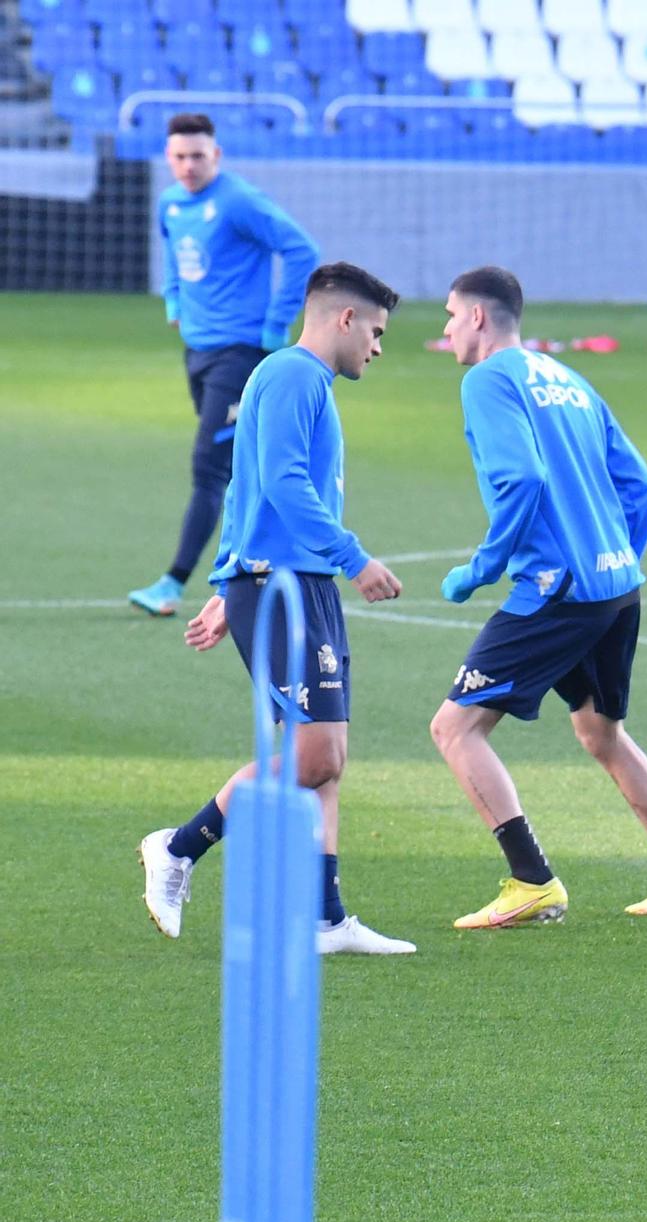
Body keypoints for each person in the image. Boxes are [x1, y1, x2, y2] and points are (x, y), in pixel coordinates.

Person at [138, 262, 414, 956]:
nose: (378, 348)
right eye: (376, 331)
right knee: (313, 753)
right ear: (344, 318)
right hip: (286, 586)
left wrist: (229, 580)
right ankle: (176, 848)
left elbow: (246, 489)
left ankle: (325, 920)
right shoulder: (294, 375)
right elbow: (286, 484)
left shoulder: (302, 380)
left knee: (327, 759)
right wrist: (354, 559)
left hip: (289, 585)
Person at [429, 266, 647, 929]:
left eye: (449, 315)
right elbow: (640, 485)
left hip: (557, 590)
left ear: (477, 317)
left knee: (456, 727)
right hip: (617, 588)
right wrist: (615, 557)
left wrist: (483, 566)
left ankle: (531, 879)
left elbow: (523, 479)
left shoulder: (487, 380)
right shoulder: (568, 378)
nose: (444, 330)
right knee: (601, 732)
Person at [129, 113, 321, 619]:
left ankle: (173, 584)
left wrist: (277, 321)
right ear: (168, 158)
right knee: (240, 466)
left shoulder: (239, 202)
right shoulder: (170, 203)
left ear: (216, 156)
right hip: (197, 352)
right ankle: (269, 559)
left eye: (198, 156)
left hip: (239, 355)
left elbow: (302, 249)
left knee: (208, 468)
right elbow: (174, 253)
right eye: (179, 157)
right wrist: (174, 301)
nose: (188, 166)